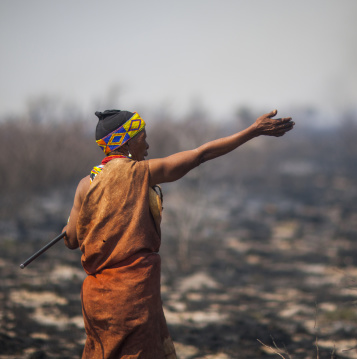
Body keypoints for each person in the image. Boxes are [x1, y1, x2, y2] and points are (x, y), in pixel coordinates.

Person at [62, 109, 294, 358]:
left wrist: (70, 227)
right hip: (133, 297)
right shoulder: (141, 173)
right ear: (126, 142)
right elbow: (201, 154)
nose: (148, 145)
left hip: (96, 301)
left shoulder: (86, 184)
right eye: (143, 138)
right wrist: (252, 131)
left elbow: (72, 240)